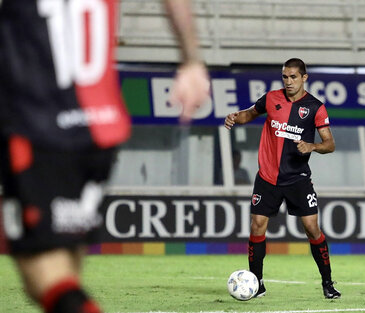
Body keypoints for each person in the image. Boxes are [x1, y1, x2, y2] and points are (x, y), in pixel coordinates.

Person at [0, 1, 209, 313]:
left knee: (42, 274)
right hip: (102, 126)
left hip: (39, 121)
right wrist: (191, 61)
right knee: (67, 271)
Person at [224, 58, 341, 299]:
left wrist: (312, 146)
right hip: (267, 177)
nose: (288, 82)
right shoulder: (271, 98)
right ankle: (257, 283)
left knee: (311, 228)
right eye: (285, 77)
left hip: (297, 178)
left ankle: (327, 283)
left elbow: (330, 144)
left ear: (304, 78)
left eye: (293, 77)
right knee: (257, 225)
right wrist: (236, 117)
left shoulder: (315, 107)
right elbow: (250, 113)